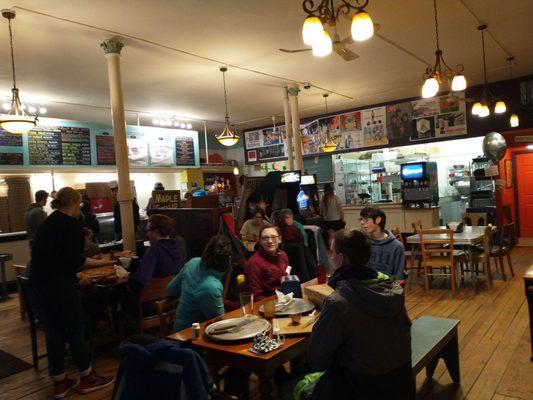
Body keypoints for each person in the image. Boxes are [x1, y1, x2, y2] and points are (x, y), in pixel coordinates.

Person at [305, 229, 414, 399]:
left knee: (293, 386)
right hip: (401, 380)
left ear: (340, 258)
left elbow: (317, 359)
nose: (331, 256)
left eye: (333, 252)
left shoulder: (339, 302)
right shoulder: (392, 287)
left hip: (361, 387)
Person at [28, 187, 115, 398]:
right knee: (76, 329)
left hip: (40, 288)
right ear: (74, 203)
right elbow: (78, 261)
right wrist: (107, 262)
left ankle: (59, 382)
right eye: (79, 205)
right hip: (61, 288)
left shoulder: (47, 223)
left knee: (54, 332)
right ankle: (87, 377)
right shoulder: (72, 226)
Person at [168, 234, 232, 332]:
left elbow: (171, 290)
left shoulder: (193, 262)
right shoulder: (211, 287)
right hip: (191, 337)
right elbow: (219, 325)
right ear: (228, 259)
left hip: (178, 330)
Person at [130, 214, 185, 287]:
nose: (147, 234)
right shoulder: (179, 246)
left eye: (148, 230)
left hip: (151, 296)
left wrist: (130, 277)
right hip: (174, 294)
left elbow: (143, 280)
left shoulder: (154, 251)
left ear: (156, 231)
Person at [359, 206, 406, 282]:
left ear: (378, 220)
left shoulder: (397, 246)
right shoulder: (363, 242)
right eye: (361, 219)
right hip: (365, 287)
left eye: (366, 220)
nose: (362, 223)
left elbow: (399, 277)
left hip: (387, 289)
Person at [245, 225, 289, 300]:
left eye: (273, 237)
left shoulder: (283, 255)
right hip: (268, 304)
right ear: (260, 242)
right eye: (265, 238)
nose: (269, 241)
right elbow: (256, 296)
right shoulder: (254, 263)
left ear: (280, 239)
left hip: (285, 298)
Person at [319, 183, 345, 249]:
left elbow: (321, 213)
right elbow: (341, 210)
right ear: (332, 189)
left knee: (330, 237)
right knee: (338, 237)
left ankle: (331, 252)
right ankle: (338, 250)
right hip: (337, 221)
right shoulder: (336, 198)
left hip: (327, 221)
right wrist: (342, 220)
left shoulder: (322, 200)